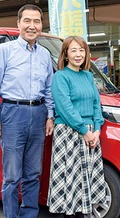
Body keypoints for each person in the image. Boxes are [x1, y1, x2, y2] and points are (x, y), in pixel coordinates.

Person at [0, 4, 55, 218]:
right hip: (12, 113)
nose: (32, 26)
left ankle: (29, 215)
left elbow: (49, 88)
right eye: (27, 21)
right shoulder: (4, 51)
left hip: (38, 114)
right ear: (18, 24)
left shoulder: (45, 54)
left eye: (36, 21)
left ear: (41, 25)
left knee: (33, 173)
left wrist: (50, 115)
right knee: (12, 175)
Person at [47, 36, 106, 218]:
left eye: (81, 50)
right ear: (65, 55)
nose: (78, 54)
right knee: (67, 180)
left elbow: (97, 104)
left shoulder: (88, 76)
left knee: (83, 181)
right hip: (68, 132)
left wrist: (96, 130)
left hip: (89, 133)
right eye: (73, 50)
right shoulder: (60, 76)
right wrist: (85, 131)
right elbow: (65, 108)